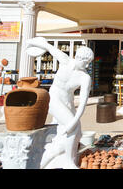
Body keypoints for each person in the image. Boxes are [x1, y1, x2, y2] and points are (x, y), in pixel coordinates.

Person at [27, 37, 94, 169]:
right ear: (78, 57)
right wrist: (28, 42)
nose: (87, 66)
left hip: (67, 102)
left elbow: (82, 103)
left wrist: (75, 120)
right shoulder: (65, 60)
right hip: (53, 99)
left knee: (76, 131)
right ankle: (68, 162)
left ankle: (48, 159)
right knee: (72, 129)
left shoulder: (85, 78)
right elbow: (46, 45)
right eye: (86, 62)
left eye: (89, 63)